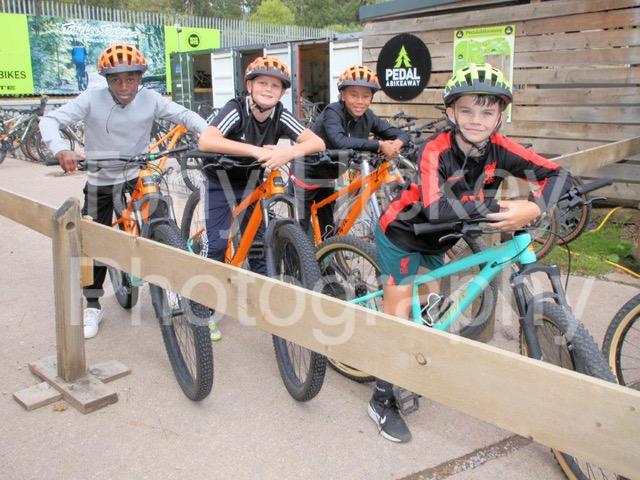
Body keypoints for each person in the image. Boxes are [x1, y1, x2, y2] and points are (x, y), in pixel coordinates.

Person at [371, 63, 572, 443]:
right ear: (450, 112)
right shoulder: (435, 149)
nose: (476, 120)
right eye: (466, 110)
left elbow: (558, 174)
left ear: (500, 115)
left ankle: (417, 358)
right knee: (399, 318)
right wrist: (501, 208)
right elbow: (435, 208)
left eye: (487, 111)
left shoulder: (500, 147)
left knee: (429, 311)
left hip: (439, 240)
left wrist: (534, 206)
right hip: (403, 233)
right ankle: (382, 399)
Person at [40, 43, 208, 339]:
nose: (124, 86)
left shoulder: (150, 98)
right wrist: (61, 149)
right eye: (116, 80)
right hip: (101, 176)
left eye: (131, 79)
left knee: (163, 220)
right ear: (106, 80)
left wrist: (206, 132)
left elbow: (184, 115)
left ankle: (171, 286)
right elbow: (51, 120)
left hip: (136, 172)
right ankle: (93, 304)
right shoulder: (91, 99)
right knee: (93, 240)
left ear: (140, 78)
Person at [197, 56, 325, 336]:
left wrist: (287, 152)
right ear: (249, 86)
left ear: (282, 92)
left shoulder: (280, 114)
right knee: (216, 245)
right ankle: (201, 304)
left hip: (252, 181)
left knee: (258, 244)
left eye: (275, 86)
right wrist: (255, 151)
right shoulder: (236, 108)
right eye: (262, 83)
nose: (268, 89)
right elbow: (206, 140)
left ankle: (264, 304)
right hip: (220, 179)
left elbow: (317, 141)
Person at [291, 65, 410, 240]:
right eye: (354, 95)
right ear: (343, 94)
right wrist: (379, 144)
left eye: (366, 96)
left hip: (328, 174)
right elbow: (339, 141)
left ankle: (327, 257)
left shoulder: (368, 116)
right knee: (299, 232)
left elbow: (401, 134)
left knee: (328, 228)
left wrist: (397, 144)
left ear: (371, 98)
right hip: (306, 171)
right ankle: (293, 256)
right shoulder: (333, 112)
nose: (360, 101)